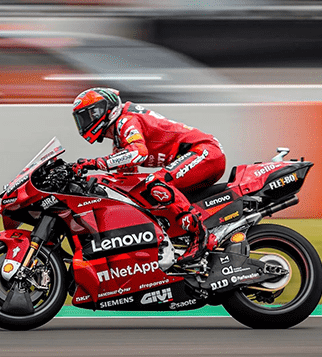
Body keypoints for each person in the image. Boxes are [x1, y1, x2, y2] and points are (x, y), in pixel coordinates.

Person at [71, 87, 225, 271]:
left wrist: (94, 163)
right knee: (142, 192)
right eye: (82, 118)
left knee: (156, 182)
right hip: (199, 156)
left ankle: (200, 236)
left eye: (88, 115)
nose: (85, 122)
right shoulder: (120, 137)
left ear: (104, 109)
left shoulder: (126, 120)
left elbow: (138, 153)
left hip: (204, 151)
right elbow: (124, 179)